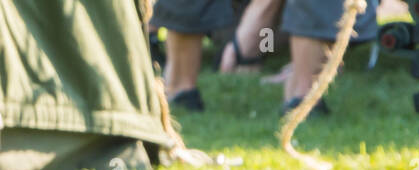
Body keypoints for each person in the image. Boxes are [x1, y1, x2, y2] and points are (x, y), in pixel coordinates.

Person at [151, 0, 379, 114]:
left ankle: (288, 77)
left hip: (264, 32)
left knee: (265, 33)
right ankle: (259, 58)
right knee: (263, 33)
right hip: (242, 28)